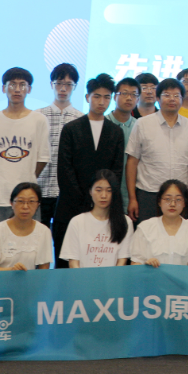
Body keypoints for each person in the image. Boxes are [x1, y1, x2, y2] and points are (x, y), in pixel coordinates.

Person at [53, 73, 126, 268]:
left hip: (104, 209)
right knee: (66, 263)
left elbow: (116, 171)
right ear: (87, 97)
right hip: (71, 206)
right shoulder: (71, 129)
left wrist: (101, 198)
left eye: (107, 97)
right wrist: (85, 200)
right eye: (97, 96)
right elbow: (65, 170)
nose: (102, 102)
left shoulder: (116, 132)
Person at [0, 67, 50, 249]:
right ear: (3, 88)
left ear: (29, 89)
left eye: (22, 85)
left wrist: (26, 180)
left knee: (27, 248)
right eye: (12, 84)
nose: (17, 89)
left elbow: (42, 159)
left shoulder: (39, 120)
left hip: (26, 199)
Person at [126, 78, 188, 223]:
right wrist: (132, 198)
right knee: (147, 235)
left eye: (176, 95)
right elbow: (132, 162)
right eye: (167, 95)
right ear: (158, 98)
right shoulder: (143, 124)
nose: (172, 99)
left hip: (181, 195)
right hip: (149, 194)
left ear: (182, 99)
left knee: (179, 236)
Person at [60, 170, 133, 267]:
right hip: (83, 276)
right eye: (98, 190)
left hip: (113, 276)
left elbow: (122, 260)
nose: (103, 195)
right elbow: (73, 262)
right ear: (90, 191)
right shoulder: (77, 222)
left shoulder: (125, 222)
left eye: (109, 190)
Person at [131, 180, 188, 267]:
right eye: (167, 199)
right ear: (159, 201)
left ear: (184, 203)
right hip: (151, 275)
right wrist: (146, 264)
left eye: (178, 200)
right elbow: (135, 263)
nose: (172, 204)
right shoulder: (145, 228)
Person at [0, 182, 52, 271]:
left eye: (31, 201)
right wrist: (11, 271)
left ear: (38, 204)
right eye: (20, 201)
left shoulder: (44, 231)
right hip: (2, 279)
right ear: (11, 203)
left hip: (31, 280)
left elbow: (44, 268)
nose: (25, 206)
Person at [107, 77, 139, 209]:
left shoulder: (140, 126)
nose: (129, 98)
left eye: (134, 95)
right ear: (115, 97)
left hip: (133, 193)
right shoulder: (104, 123)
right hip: (105, 191)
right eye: (124, 93)